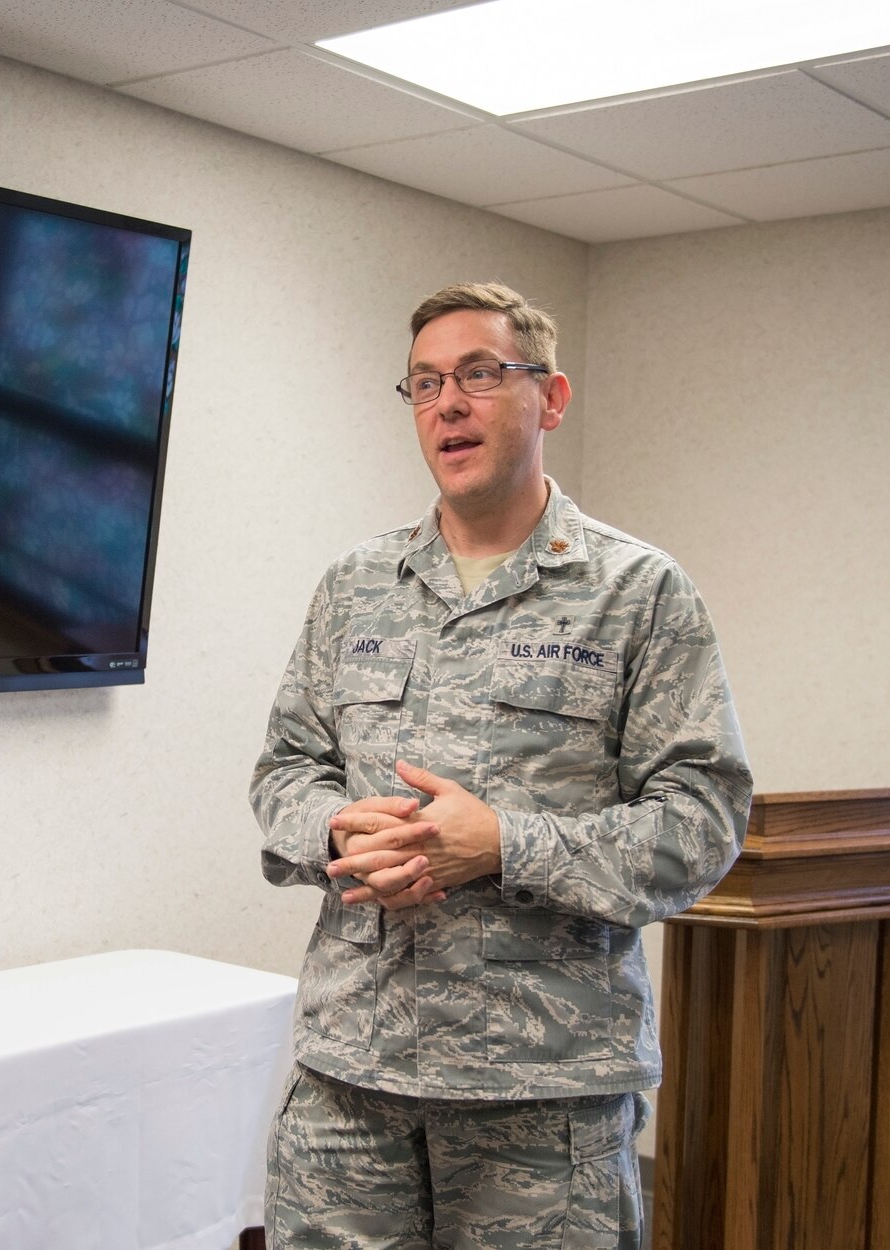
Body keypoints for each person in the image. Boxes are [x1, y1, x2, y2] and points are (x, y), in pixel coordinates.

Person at [251, 282, 752, 1249]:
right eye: (425, 383)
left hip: (542, 1088)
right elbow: (284, 772)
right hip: (353, 1078)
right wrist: (336, 829)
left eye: (481, 374)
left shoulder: (637, 591)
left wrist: (505, 845)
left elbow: (701, 824)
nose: (448, 403)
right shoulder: (355, 585)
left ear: (550, 398)